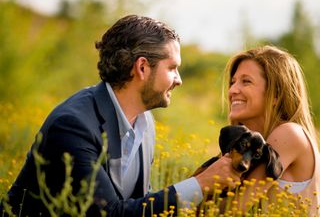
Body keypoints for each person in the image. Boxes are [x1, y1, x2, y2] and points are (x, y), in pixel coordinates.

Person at [0, 15, 240, 217]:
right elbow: (110, 213)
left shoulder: (145, 123)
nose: (179, 80)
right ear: (142, 67)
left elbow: (140, 203)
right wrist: (199, 185)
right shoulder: (73, 125)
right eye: (172, 68)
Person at [224, 45, 320, 216]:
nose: (232, 90)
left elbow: (232, 210)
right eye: (233, 82)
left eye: (246, 81)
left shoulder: (289, 134)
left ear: (276, 94)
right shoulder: (253, 143)